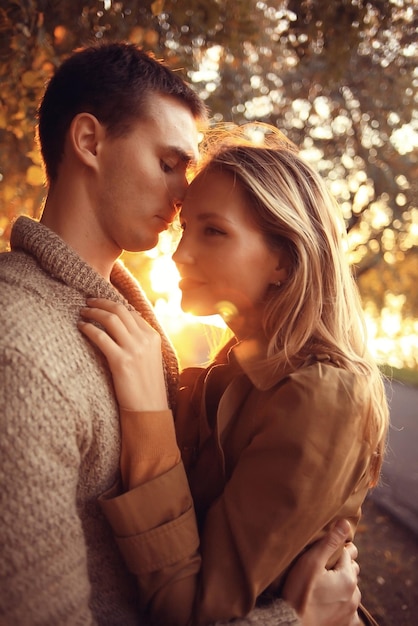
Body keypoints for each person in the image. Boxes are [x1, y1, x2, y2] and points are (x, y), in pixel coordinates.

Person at [0, 43, 361, 626]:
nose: (179, 199)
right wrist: (296, 621)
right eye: (169, 164)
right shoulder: (19, 346)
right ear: (89, 141)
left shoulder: (128, 323)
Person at [79, 126, 389, 625]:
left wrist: (149, 416)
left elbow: (196, 612)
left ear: (283, 261)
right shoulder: (225, 373)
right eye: (185, 230)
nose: (179, 254)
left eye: (213, 230)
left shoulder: (321, 395)